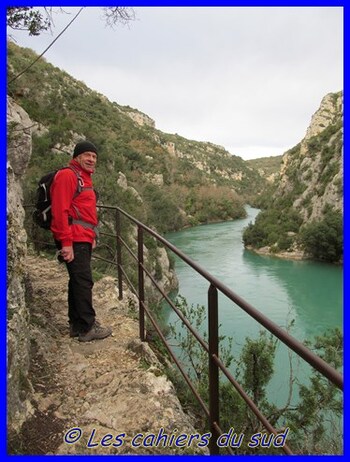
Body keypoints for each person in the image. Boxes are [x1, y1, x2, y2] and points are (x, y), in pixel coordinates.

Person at [50, 140, 112, 342]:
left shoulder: (84, 178)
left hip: (82, 237)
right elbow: (60, 212)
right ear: (77, 157)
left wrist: (91, 236)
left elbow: (85, 212)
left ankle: (76, 325)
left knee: (77, 281)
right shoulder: (68, 176)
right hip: (73, 238)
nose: (91, 159)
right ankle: (87, 328)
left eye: (94, 157)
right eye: (87, 155)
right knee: (84, 281)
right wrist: (66, 243)